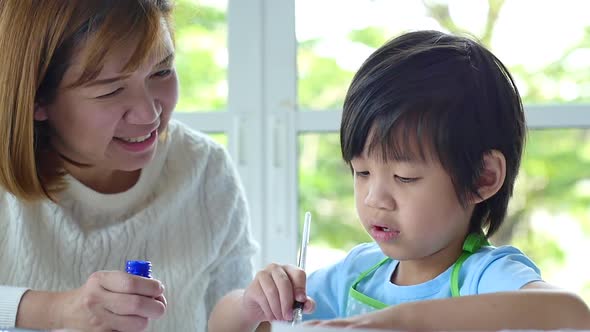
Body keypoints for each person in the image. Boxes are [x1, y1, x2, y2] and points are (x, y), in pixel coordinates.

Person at [208, 30, 590, 331]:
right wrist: (250, 306)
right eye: (362, 172)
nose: (376, 197)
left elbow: (570, 313)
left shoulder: (485, 276)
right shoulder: (357, 276)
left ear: (483, 177)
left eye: (405, 177)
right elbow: (223, 326)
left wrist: (404, 320)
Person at [0, 1, 257, 331]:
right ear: (37, 99)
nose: (149, 115)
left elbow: (238, 314)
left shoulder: (205, 170)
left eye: (161, 72)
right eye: (112, 90)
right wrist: (53, 310)